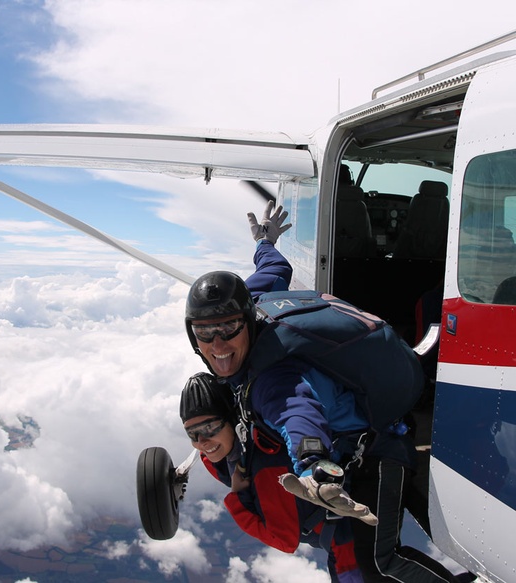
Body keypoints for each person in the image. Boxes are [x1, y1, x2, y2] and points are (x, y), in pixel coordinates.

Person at [183, 202, 472, 582]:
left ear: (247, 321)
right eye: (204, 332)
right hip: (365, 434)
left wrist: (313, 466)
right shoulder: (252, 298)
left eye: (228, 328)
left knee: (381, 562)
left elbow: (297, 413)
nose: (218, 343)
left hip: (381, 447)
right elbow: (275, 270)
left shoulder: (270, 378)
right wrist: (265, 243)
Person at [180, 372, 364, 583]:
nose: (202, 442)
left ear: (231, 418)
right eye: (192, 433)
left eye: (209, 428)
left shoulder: (268, 471)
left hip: (348, 548)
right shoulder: (231, 449)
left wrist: (238, 501)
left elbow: (284, 540)